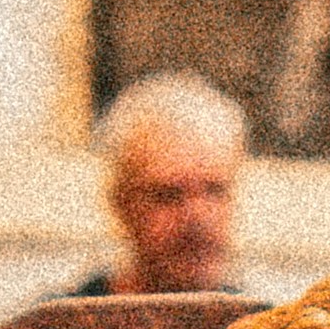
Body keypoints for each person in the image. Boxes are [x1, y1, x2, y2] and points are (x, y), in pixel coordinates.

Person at [65, 74, 246, 299]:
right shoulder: (57, 328)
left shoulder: (271, 328)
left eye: (215, 191)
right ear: (121, 205)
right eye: (168, 196)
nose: (198, 217)